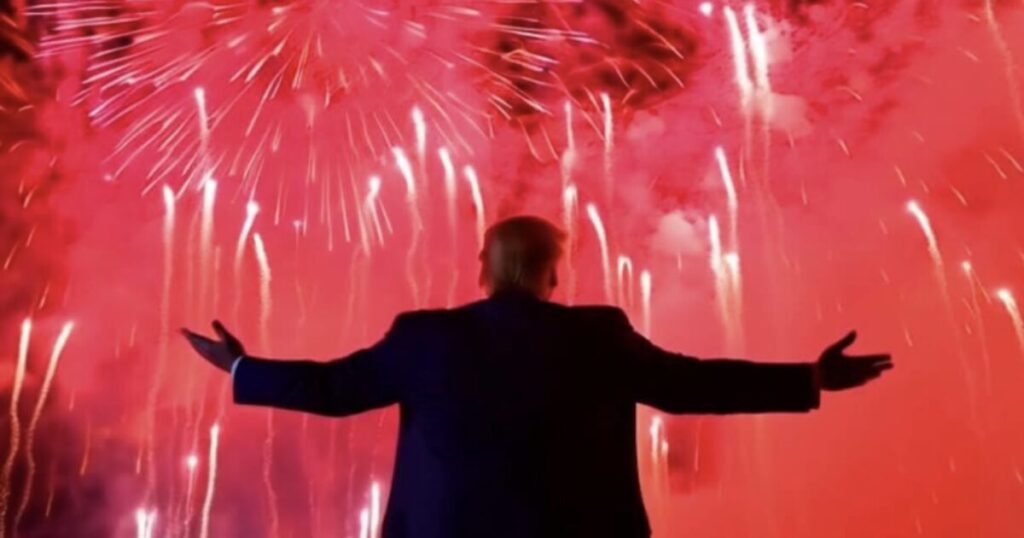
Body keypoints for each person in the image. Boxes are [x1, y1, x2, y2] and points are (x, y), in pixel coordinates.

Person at [182, 215, 892, 538]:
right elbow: (693, 386)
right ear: (554, 275)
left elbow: (331, 391)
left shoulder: (426, 337)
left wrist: (242, 367)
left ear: (483, 271)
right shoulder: (598, 334)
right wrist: (809, 379)